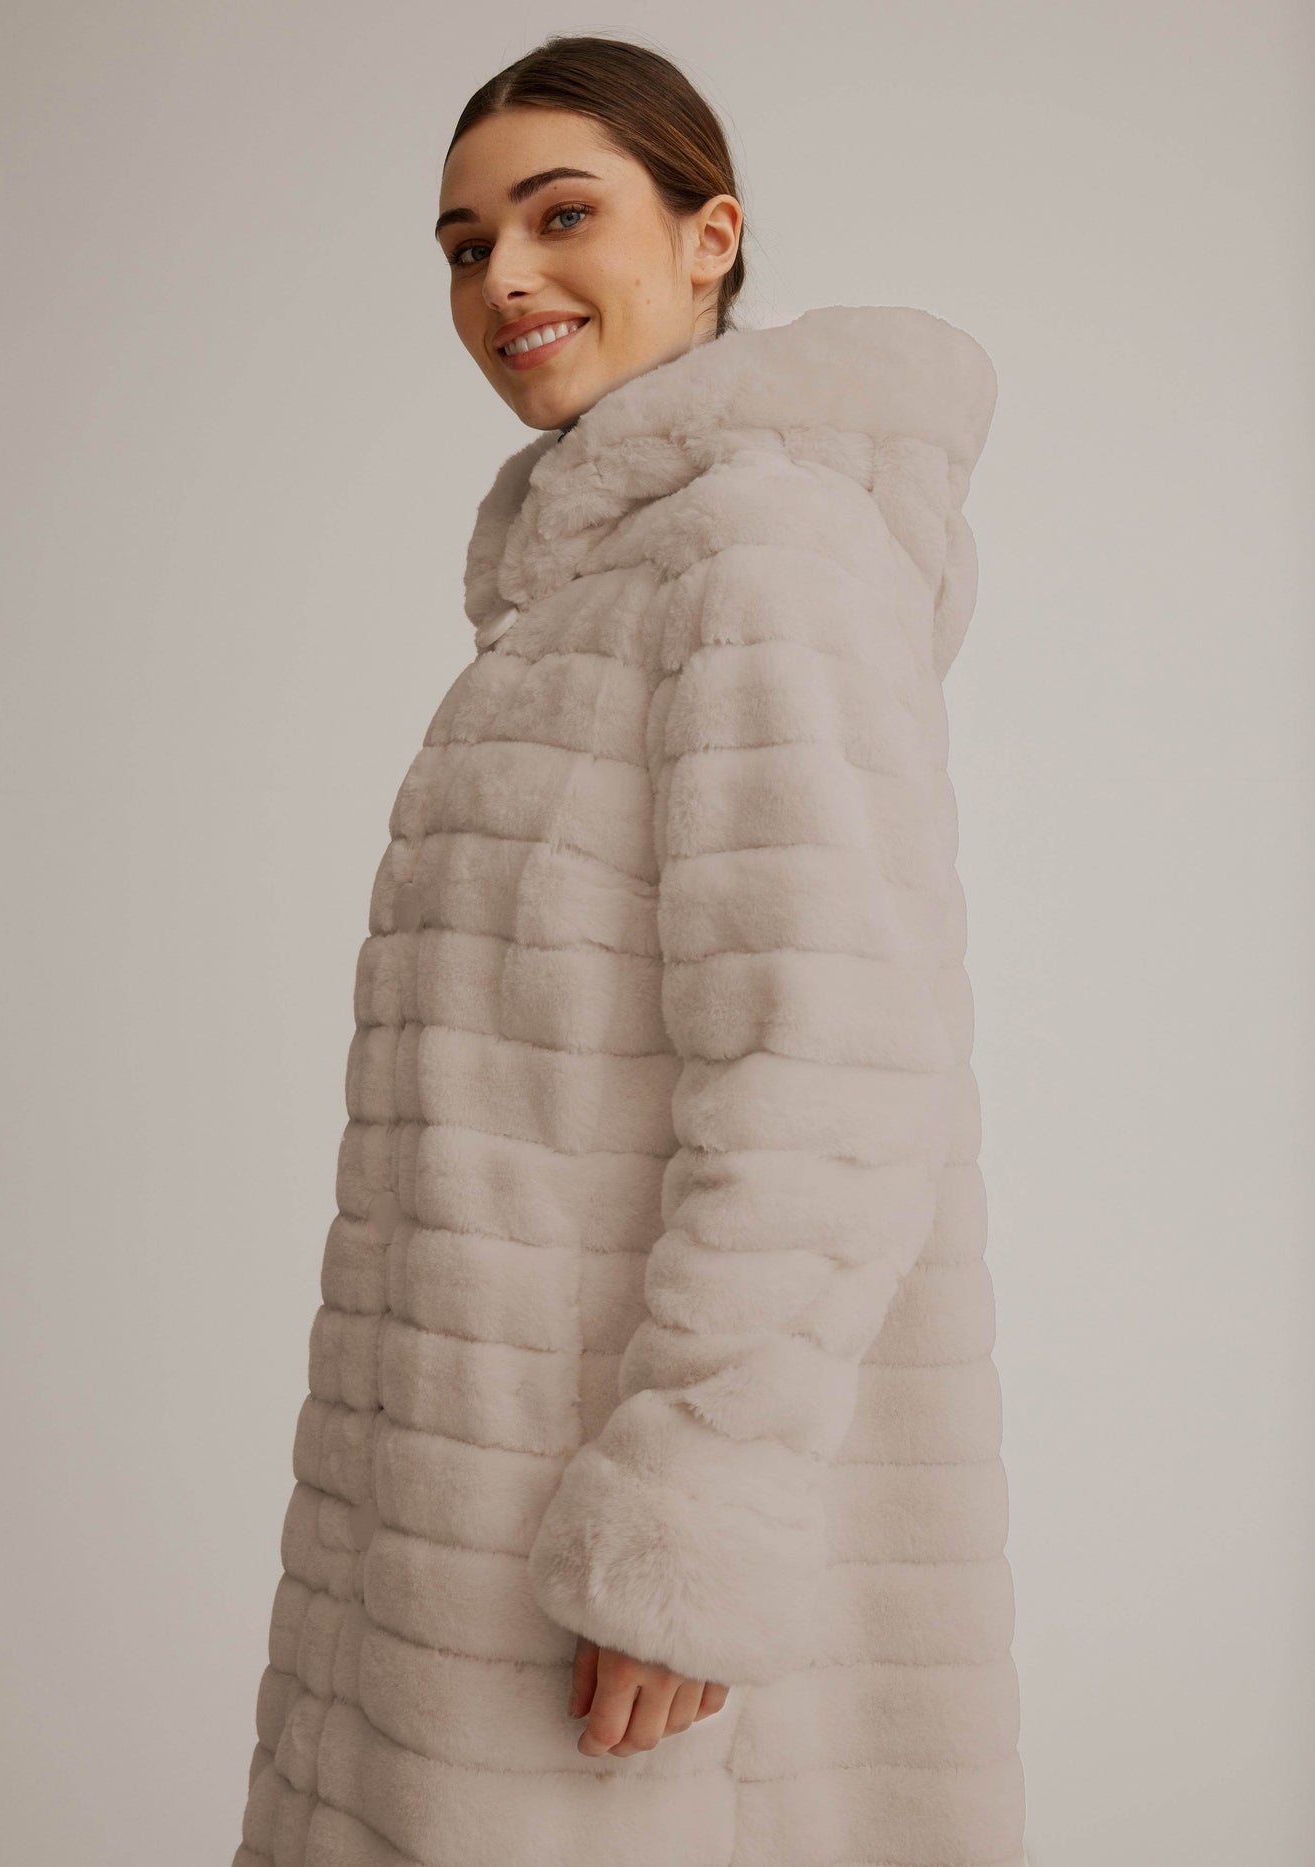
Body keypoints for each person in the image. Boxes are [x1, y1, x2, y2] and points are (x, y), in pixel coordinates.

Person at [232, 32, 1026, 1867]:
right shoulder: (584, 600)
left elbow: (833, 1077)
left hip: (605, 1554)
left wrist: (692, 1521)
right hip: (463, 1505)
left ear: (708, 237)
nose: (502, 279)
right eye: (463, 245)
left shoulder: (765, 557)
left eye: (560, 215)